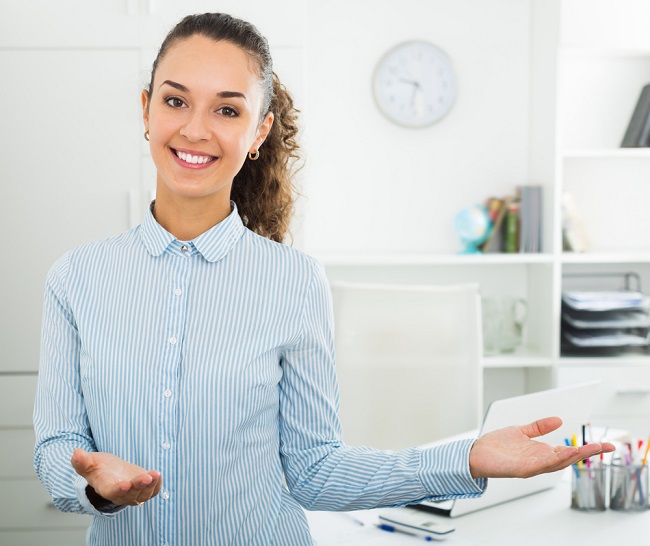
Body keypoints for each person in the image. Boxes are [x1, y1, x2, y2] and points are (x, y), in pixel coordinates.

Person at [33, 12, 614, 546]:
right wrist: (92, 483)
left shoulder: (295, 282)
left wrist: (466, 460)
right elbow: (57, 447)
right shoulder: (76, 280)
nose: (195, 128)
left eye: (227, 110)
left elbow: (314, 470)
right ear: (146, 111)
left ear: (259, 133)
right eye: (175, 100)